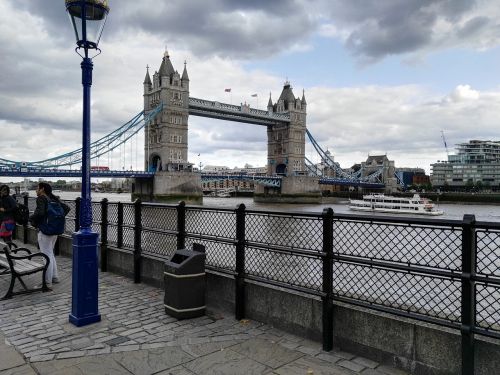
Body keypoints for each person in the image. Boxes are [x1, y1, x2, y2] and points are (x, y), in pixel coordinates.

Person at [29, 182, 70, 288]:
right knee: (50, 254)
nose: (36, 190)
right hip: (54, 230)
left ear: (42, 189)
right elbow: (66, 208)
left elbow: (40, 213)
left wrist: (31, 218)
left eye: (37, 188)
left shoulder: (41, 198)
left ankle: (47, 282)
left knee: (46, 256)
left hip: (45, 231)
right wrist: (55, 219)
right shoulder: (53, 198)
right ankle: (54, 277)